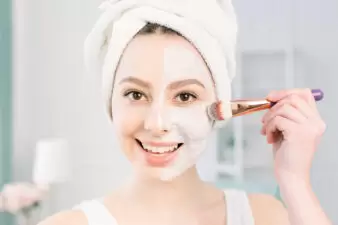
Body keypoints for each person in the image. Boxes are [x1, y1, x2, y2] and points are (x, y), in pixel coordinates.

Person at [39, 0, 332, 224]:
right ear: (110, 103)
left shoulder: (262, 215)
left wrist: (295, 181)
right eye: (136, 94)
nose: (157, 123)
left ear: (220, 107)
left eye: (185, 96)